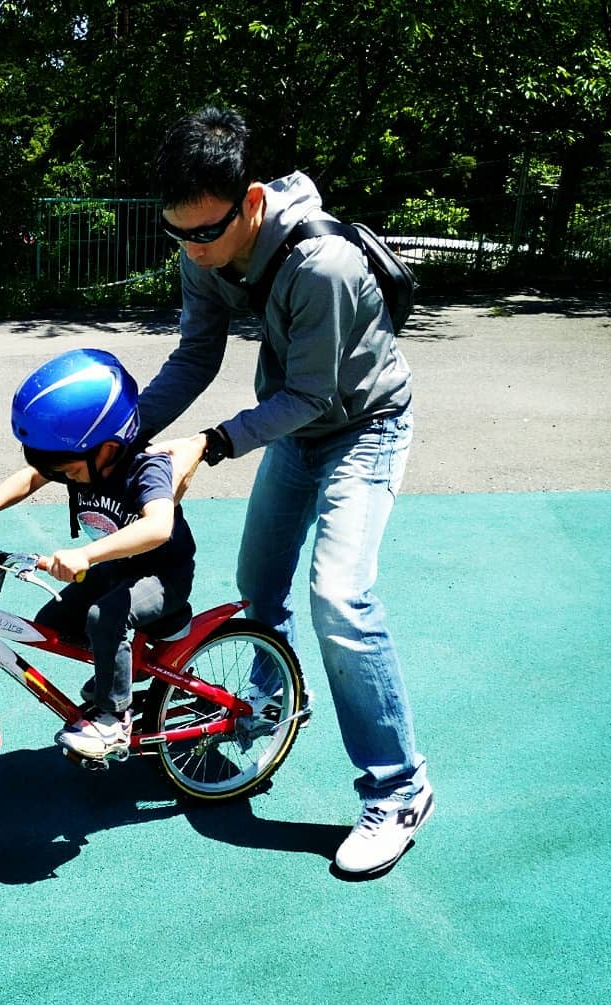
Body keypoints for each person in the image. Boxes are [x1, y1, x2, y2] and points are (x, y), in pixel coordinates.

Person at [139, 105, 433, 874]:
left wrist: (211, 442)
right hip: (298, 429)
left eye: (207, 233)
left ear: (253, 200)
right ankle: (265, 710)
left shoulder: (321, 265)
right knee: (257, 586)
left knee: (339, 595)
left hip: (363, 424)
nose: (195, 253)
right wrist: (123, 432)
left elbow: (310, 394)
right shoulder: (198, 250)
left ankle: (398, 789)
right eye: (179, 235)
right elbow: (195, 356)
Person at [0, 348, 196, 759]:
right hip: (114, 567)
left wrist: (86, 554)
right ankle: (119, 673)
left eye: (69, 472)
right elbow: (31, 477)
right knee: (55, 621)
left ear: (109, 447)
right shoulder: (80, 457)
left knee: (105, 617)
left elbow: (158, 527)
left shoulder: (146, 467)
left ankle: (115, 718)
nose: (63, 478)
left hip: (161, 574)